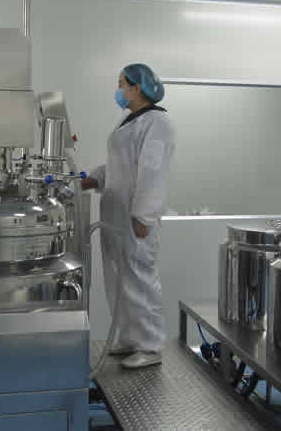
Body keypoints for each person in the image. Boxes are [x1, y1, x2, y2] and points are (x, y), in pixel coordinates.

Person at [82, 63, 175, 369]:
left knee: (139, 279)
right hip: (115, 214)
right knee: (119, 280)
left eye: (122, 84)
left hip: (134, 218)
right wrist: (93, 178)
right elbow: (119, 167)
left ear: (138, 88)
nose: (119, 90)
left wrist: (143, 215)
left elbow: (152, 172)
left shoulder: (157, 123)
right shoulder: (129, 121)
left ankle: (150, 345)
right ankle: (130, 337)